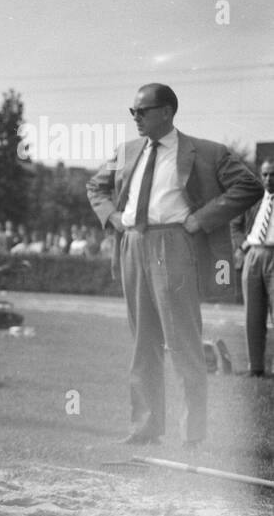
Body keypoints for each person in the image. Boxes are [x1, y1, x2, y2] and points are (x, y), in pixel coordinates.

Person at [88, 83, 262, 447]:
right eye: (132, 111)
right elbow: (95, 187)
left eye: (143, 111)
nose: (136, 118)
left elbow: (249, 187)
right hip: (133, 242)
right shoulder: (126, 151)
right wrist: (114, 218)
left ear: (166, 111)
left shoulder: (208, 152)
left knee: (182, 342)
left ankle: (192, 436)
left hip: (175, 244)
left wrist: (201, 219)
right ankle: (146, 427)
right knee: (142, 343)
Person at [231, 157, 274, 377]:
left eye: (273, 174)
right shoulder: (254, 200)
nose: (268, 179)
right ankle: (255, 367)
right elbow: (235, 225)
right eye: (265, 174)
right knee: (253, 315)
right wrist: (242, 245)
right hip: (253, 255)